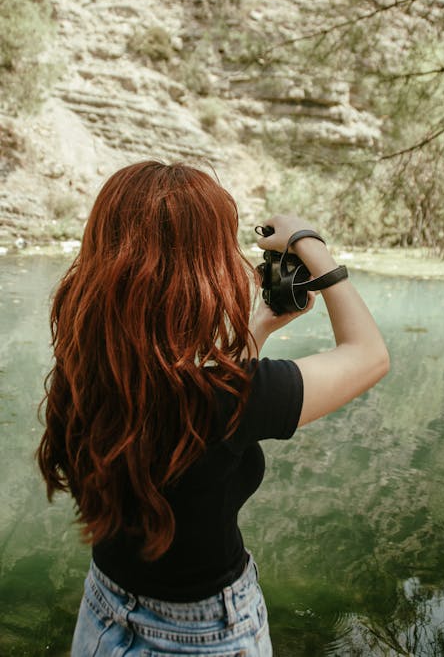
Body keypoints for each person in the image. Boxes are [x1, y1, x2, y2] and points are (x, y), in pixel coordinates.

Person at [37, 160, 389, 656]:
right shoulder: (229, 399)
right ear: (203, 269)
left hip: (105, 607)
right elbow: (369, 355)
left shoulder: (90, 364)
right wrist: (311, 245)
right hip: (205, 633)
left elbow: (202, 421)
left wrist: (258, 328)